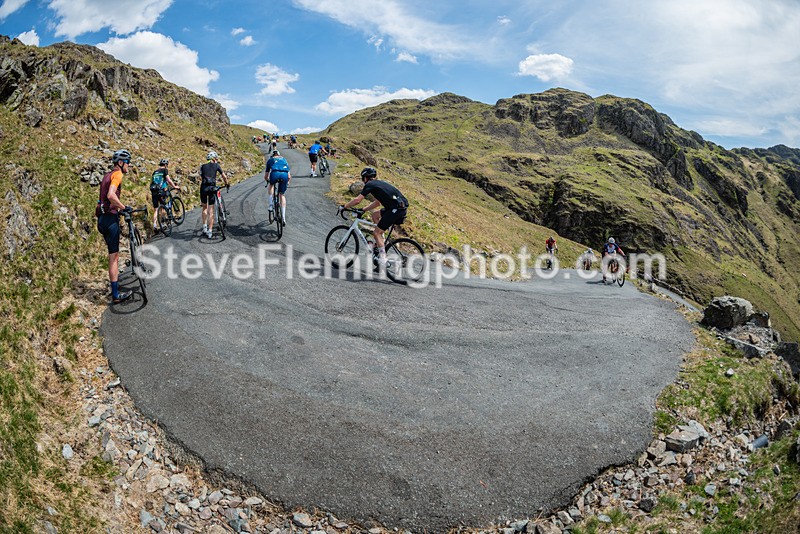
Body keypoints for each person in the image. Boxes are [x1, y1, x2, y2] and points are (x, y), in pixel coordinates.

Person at [340, 167, 408, 266]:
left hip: (396, 209)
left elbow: (357, 200)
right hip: (398, 207)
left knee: (376, 233)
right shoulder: (377, 184)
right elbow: (377, 203)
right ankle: (381, 242)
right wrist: (363, 209)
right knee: (375, 215)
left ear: (365, 178)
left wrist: (344, 207)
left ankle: (383, 259)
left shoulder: (369, 185)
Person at [96, 149, 133, 303]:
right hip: (110, 219)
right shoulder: (117, 174)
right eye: (128, 163)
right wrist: (123, 208)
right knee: (114, 258)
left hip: (101, 220)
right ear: (120, 163)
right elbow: (111, 196)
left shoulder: (106, 176)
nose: (129, 166)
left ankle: (115, 289)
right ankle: (116, 295)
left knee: (112, 256)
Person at [200, 151, 230, 239]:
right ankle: (210, 231)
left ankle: (204, 227)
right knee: (211, 210)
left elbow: (201, 177)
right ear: (213, 159)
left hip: (203, 188)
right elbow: (224, 176)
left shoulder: (202, 166)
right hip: (212, 188)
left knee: (204, 207)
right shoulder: (216, 165)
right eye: (216, 159)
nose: (217, 160)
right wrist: (227, 184)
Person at [150, 158, 178, 231]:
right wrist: (174, 186)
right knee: (163, 207)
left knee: (156, 209)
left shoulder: (155, 172)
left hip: (153, 191)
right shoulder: (164, 170)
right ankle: (163, 223)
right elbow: (168, 180)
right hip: (161, 191)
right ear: (165, 165)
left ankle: (155, 225)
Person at [264, 149, 291, 225]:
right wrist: (287, 183)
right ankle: (283, 218)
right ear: (279, 154)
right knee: (281, 195)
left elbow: (266, 176)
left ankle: (270, 205)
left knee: (271, 185)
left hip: (275, 174)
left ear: (272, 155)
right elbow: (289, 176)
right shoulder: (284, 160)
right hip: (285, 175)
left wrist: (268, 181)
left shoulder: (270, 160)